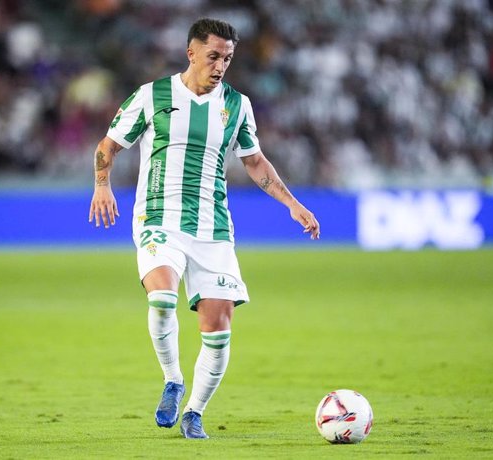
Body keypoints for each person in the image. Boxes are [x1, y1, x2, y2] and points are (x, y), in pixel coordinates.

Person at [89, 18, 320, 439]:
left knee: (218, 328)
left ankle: (195, 411)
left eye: (228, 59)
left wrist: (292, 204)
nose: (220, 66)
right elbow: (108, 145)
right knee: (161, 297)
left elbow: (254, 161)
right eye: (213, 56)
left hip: (213, 229)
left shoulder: (238, 105)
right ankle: (173, 379)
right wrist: (102, 186)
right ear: (191, 52)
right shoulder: (152, 95)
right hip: (159, 218)